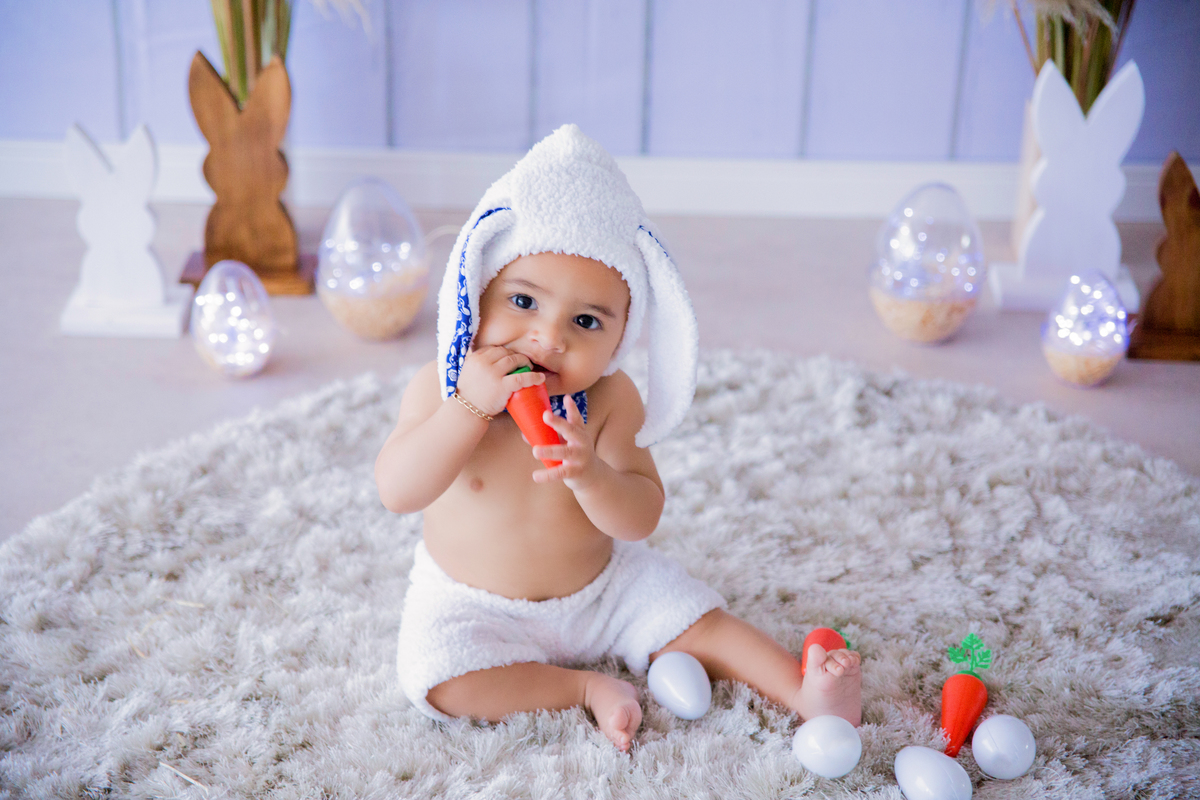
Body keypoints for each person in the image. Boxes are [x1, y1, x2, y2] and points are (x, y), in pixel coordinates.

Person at [375, 125, 861, 752]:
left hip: (603, 590)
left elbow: (640, 516)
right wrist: (468, 408)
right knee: (435, 676)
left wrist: (591, 476)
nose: (550, 338)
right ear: (475, 296)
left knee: (701, 619)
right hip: (473, 604)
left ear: (622, 335)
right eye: (523, 300)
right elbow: (397, 490)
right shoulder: (441, 391)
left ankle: (808, 693)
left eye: (585, 321)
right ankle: (579, 688)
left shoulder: (607, 400)